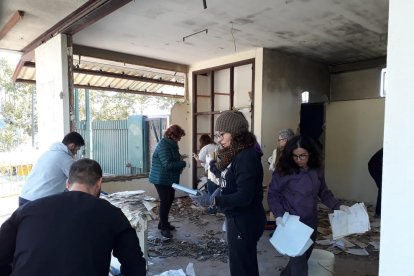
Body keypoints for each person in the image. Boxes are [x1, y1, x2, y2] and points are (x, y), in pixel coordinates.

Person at [0, 158, 146, 276]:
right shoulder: (112, 214)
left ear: (68, 183)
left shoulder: (27, 210)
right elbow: (135, 265)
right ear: (99, 183)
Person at [192, 110, 266, 276]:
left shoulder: (245, 156)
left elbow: (244, 196)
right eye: (217, 135)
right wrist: (215, 189)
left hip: (245, 218)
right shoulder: (232, 153)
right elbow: (225, 179)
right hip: (236, 216)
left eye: (222, 134)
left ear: (235, 132)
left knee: (241, 268)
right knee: (245, 263)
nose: (219, 139)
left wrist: (214, 201)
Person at [268, 135, 349, 276]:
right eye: (295, 156)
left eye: (303, 156)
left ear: (310, 154)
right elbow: (273, 194)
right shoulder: (283, 171)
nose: (299, 160)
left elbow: (323, 191)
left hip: (310, 222)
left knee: (302, 259)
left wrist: (338, 205)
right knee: (299, 266)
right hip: (292, 224)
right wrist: (279, 214)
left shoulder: (316, 170)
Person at [19, 131, 85, 206]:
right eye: (77, 149)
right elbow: (80, 180)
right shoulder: (65, 158)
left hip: (24, 197)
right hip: (38, 202)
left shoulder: (48, 153)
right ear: (72, 146)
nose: (76, 153)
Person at [149, 124, 187, 239]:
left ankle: (163, 223)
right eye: (179, 137)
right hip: (161, 179)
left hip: (168, 178)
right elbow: (167, 164)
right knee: (165, 201)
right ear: (172, 135)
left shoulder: (171, 144)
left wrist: (180, 158)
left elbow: (171, 158)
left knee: (169, 199)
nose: (180, 139)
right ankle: (164, 227)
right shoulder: (164, 145)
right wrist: (183, 163)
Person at [368, 148, 383, 218]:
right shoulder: (391, 145)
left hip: (379, 165)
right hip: (375, 166)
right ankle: (378, 213)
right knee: (383, 188)